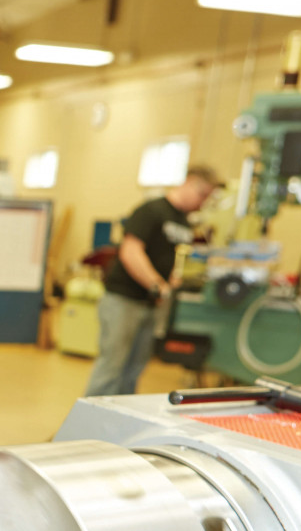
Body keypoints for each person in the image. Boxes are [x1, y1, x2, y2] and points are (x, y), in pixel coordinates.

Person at [83, 165, 222, 396]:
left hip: (150, 303)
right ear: (190, 182)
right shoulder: (152, 210)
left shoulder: (184, 221)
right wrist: (157, 284)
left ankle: (119, 423)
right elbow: (131, 252)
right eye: (203, 194)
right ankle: (88, 424)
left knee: (133, 370)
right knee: (111, 368)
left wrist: (173, 280)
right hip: (124, 300)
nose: (203, 202)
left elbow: (171, 258)